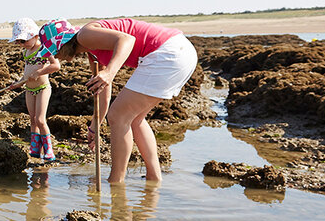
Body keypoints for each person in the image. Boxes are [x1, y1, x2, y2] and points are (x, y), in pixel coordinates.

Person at [19, 18, 197, 184]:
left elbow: (127, 40)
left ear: (63, 43)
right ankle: (154, 178)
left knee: (119, 117)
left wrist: (110, 71)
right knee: (135, 119)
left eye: (54, 51)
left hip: (167, 53)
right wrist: (95, 124)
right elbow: (103, 88)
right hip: (179, 52)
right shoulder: (92, 51)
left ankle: (116, 182)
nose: (56, 57)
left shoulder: (84, 35)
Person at [10, 18, 55, 161]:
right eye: (19, 42)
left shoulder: (44, 49)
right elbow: (26, 72)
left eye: (23, 41)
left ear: (35, 36)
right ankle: (35, 148)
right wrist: (19, 83)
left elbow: (56, 66)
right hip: (29, 89)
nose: (21, 44)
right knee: (33, 120)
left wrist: (39, 73)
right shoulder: (26, 51)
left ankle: (48, 149)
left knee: (40, 119)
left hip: (43, 88)